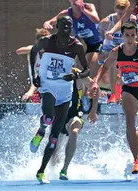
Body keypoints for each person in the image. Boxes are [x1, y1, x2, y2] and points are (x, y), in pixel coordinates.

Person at [89, 22, 138, 174]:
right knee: (129, 123)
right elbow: (105, 66)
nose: (129, 39)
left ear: (136, 35)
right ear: (122, 36)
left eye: (132, 35)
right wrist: (95, 81)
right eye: (127, 35)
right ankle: (137, 160)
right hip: (129, 90)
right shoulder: (116, 52)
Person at [29, 16, 89, 184]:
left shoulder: (76, 46)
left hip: (65, 91)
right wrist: (33, 75)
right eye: (63, 25)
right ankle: (41, 130)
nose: (66, 28)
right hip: (47, 84)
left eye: (69, 25)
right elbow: (33, 52)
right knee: (48, 117)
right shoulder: (46, 41)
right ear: (57, 26)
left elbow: (87, 70)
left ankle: (41, 171)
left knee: (55, 136)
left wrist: (76, 74)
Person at [43, 0, 102, 78]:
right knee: (77, 67)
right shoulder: (66, 13)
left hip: (94, 44)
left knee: (88, 68)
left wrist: (83, 10)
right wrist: (47, 23)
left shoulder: (89, 7)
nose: (75, 1)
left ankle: (89, 87)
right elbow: (50, 21)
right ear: (69, 0)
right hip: (81, 43)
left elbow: (97, 20)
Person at [99, 0, 135, 103]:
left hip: (126, 46)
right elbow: (100, 31)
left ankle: (124, 92)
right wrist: (103, 44)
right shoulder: (108, 21)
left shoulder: (132, 20)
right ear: (115, 10)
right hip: (112, 47)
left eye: (124, 14)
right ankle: (114, 93)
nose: (121, 18)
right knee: (113, 60)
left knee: (123, 67)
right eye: (119, 14)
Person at [16, 28, 51, 102]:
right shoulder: (32, 50)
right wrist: (37, 49)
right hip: (35, 86)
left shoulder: (50, 52)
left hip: (46, 85)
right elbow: (18, 51)